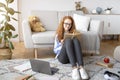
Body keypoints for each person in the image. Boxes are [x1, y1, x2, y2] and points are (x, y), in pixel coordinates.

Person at [53, 16, 89, 80]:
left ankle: (81, 67)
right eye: (66, 23)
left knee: (75, 39)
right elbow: (55, 50)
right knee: (68, 40)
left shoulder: (73, 32)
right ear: (62, 23)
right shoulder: (58, 35)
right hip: (62, 58)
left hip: (72, 58)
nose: (68, 26)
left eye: (70, 24)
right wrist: (61, 45)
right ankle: (74, 68)